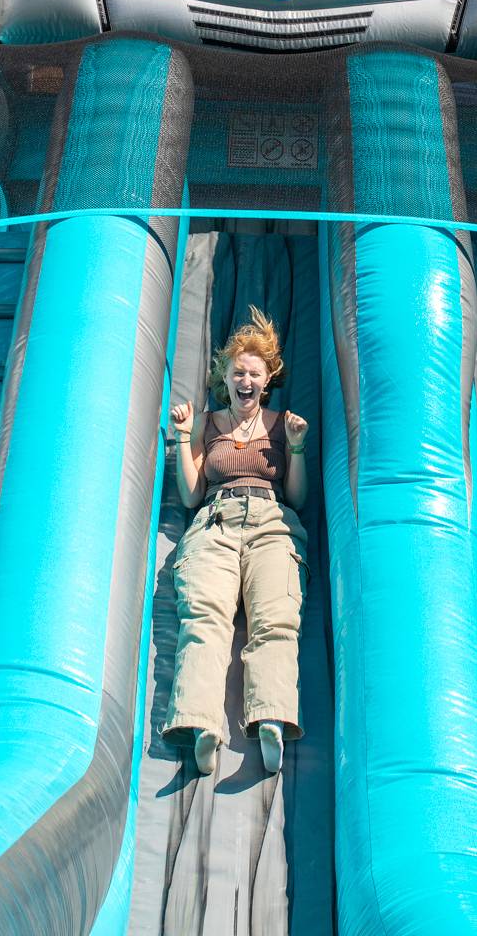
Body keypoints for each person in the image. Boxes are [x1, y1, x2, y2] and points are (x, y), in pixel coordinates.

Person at [163, 306, 310, 777]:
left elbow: (297, 497)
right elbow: (189, 494)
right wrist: (183, 440)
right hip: (215, 522)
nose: (246, 380)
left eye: (255, 373)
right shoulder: (207, 423)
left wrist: (298, 447)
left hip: (272, 521)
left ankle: (270, 717)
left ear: (267, 380)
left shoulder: (281, 423)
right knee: (205, 618)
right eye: (238, 372)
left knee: (276, 619)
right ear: (223, 377)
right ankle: (201, 723)